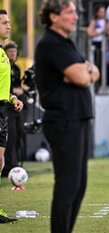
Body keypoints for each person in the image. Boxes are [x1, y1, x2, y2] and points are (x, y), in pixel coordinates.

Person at [35, 1, 100, 232]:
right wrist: (84, 71)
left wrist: (84, 70)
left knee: (79, 186)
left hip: (78, 118)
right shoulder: (51, 44)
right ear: (54, 16)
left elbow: (91, 71)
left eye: (75, 12)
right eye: (69, 12)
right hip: (64, 120)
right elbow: (83, 78)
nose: (75, 16)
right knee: (68, 185)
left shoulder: (66, 43)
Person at [0, 9, 24, 224]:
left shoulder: (2, 53)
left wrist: (11, 98)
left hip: (3, 108)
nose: (9, 26)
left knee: (0, 160)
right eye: (4, 23)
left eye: (9, 22)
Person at [3, 41, 26, 176]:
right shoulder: (3, 66)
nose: (12, 54)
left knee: (19, 132)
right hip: (7, 104)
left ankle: (16, 163)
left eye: (14, 51)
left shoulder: (16, 68)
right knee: (10, 134)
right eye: (10, 51)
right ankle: (8, 166)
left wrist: (21, 91)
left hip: (17, 103)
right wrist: (13, 91)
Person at [87, 5, 109, 92]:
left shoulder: (107, 21)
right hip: (97, 45)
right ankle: (96, 85)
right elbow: (90, 33)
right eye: (100, 12)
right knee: (97, 64)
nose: (102, 14)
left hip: (106, 46)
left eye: (103, 12)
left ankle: (104, 84)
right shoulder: (94, 21)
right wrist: (101, 32)